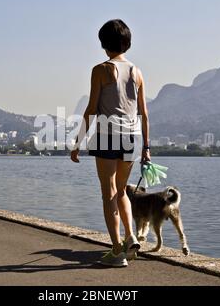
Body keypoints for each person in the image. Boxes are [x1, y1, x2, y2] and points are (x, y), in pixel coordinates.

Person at [70, 19, 151, 267]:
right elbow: (144, 114)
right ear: (127, 42)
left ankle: (117, 251)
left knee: (109, 194)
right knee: (122, 190)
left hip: (107, 136)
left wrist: (77, 143)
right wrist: (146, 148)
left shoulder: (101, 70)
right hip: (130, 138)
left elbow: (91, 109)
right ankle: (130, 237)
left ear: (104, 43)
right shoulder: (137, 72)